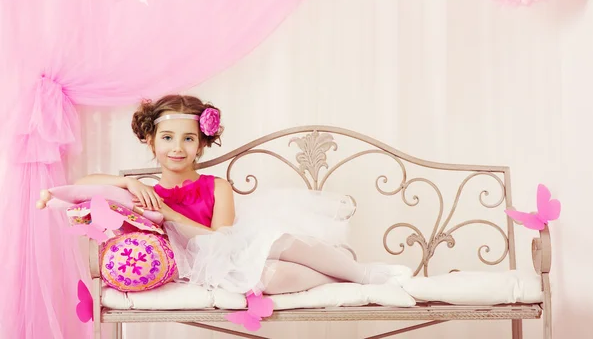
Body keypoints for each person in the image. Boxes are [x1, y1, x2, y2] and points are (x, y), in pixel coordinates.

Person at [72, 94, 412, 294]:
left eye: (188, 139)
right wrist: (131, 184)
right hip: (196, 266)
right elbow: (81, 184)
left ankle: (363, 274)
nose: (177, 148)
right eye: (167, 138)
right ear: (150, 141)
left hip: (229, 248)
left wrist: (171, 214)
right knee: (270, 277)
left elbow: (224, 238)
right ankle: (342, 282)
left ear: (201, 144)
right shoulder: (145, 193)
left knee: (282, 239)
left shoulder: (216, 187)